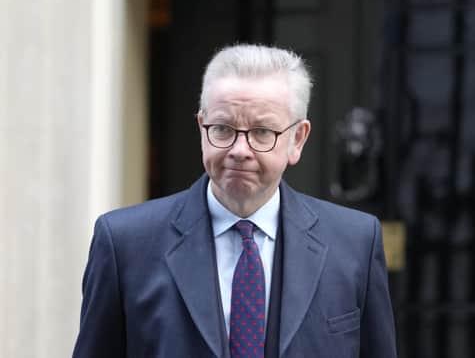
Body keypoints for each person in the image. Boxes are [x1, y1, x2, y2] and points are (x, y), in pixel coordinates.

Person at [72, 44, 397, 358]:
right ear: (202, 128)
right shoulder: (124, 244)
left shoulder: (355, 242)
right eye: (224, 129)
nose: (239, 150)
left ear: (297, 139)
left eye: (261, 132)